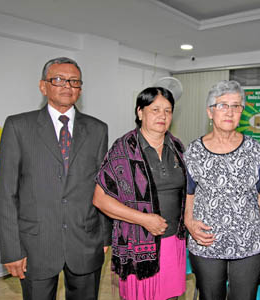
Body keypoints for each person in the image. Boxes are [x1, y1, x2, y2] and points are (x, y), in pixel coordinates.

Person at [0, 57, 111, 300]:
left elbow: (102, 187)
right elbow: (7, 193)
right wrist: (11, 250)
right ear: (43, 86)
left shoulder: (98, 129)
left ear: (80, 88)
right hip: (36, 244)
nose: (67, 86)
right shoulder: (18, 126)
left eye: (74, 81)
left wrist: (104, 236)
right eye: (58, 79)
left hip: (85, 241)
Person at [93, 87, 187, 300]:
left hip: (174, 241)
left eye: (168, 110)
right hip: (139, 243)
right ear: (140, 112)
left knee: (171, 297)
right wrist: (144, 220)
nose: (162, 116)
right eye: (155, 110)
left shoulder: (178, 148)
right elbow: (100, 199)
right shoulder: (124, 149)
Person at [183, 80, 260, 300]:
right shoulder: (194, 151)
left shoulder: (254, 150)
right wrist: (188, 222)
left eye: (236, 106)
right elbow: (188, 194)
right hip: (206, 242)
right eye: (223, 105)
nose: (230, 112)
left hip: (249, 243)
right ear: (210, 112)